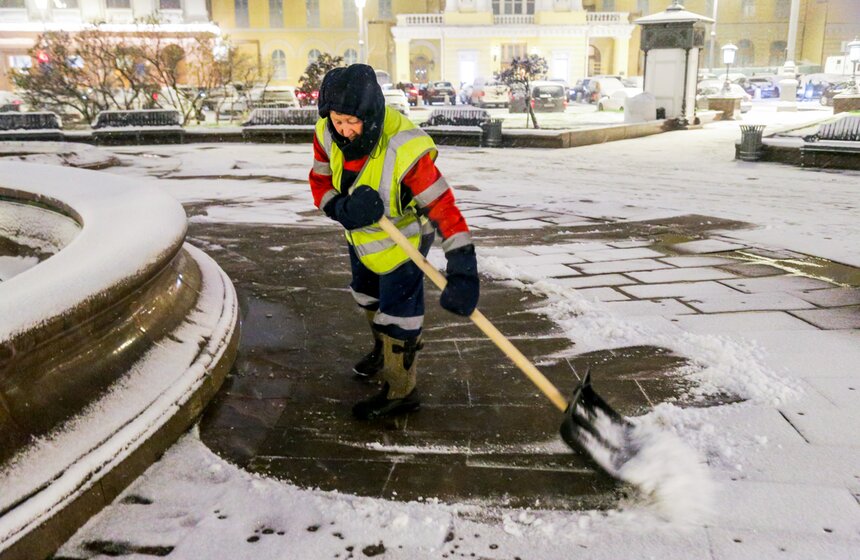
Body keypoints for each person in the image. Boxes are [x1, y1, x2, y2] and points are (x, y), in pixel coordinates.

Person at [308, 64, 479, 420]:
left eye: (351, 122)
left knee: (399, 314)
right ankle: (382, 348)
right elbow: (320, 183)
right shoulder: (326, 133)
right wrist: (342, 208)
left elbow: (444, 208)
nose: (344, 130)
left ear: (369, 114)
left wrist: (463, 269)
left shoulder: (405, 148)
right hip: (362, 238)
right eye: (337, 120)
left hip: (405, 241)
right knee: (367, 295)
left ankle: (401, 389)